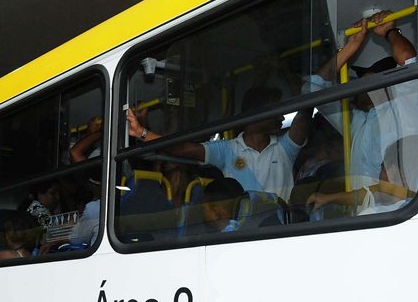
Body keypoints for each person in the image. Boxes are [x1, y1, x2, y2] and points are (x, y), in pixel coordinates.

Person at [127, 87, 311, 201]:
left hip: (282, 230)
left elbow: (306, 109)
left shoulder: (285, 148)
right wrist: (141, 133)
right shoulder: (227, 149)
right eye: (275, 109)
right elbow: (183, 148)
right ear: (257, 113)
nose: (282, 115)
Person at [304, 11, 417, 185]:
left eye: (363, 76)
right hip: (366, 211)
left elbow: (408, 59)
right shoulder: (357, 123)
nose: (356, 84)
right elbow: (312, 90)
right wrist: (350, 48)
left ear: (381, 80)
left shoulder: (406, 107)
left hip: (405, 210)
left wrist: (389, 31)